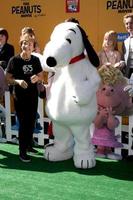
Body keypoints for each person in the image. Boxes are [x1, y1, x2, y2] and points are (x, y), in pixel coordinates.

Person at [5, 34, 44, 162]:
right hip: (19, 97)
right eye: (23, 43)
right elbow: (7, 79)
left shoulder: (35, 60)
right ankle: (22, 152)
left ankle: (28, 145)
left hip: (32, 96)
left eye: (28, 44)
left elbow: (41, 75)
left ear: (32, 47)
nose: (25, 46)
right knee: (24, 123)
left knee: (31, 122)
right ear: (21, 45)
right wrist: (18, 81)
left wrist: (37, 78)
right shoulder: (14, 60)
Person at [122, 13, 133, 78]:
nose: (129, 25)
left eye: (131, 23)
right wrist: (121, 63)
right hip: (128, 73)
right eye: (127, 24)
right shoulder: (125, 41)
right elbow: (124, 58)